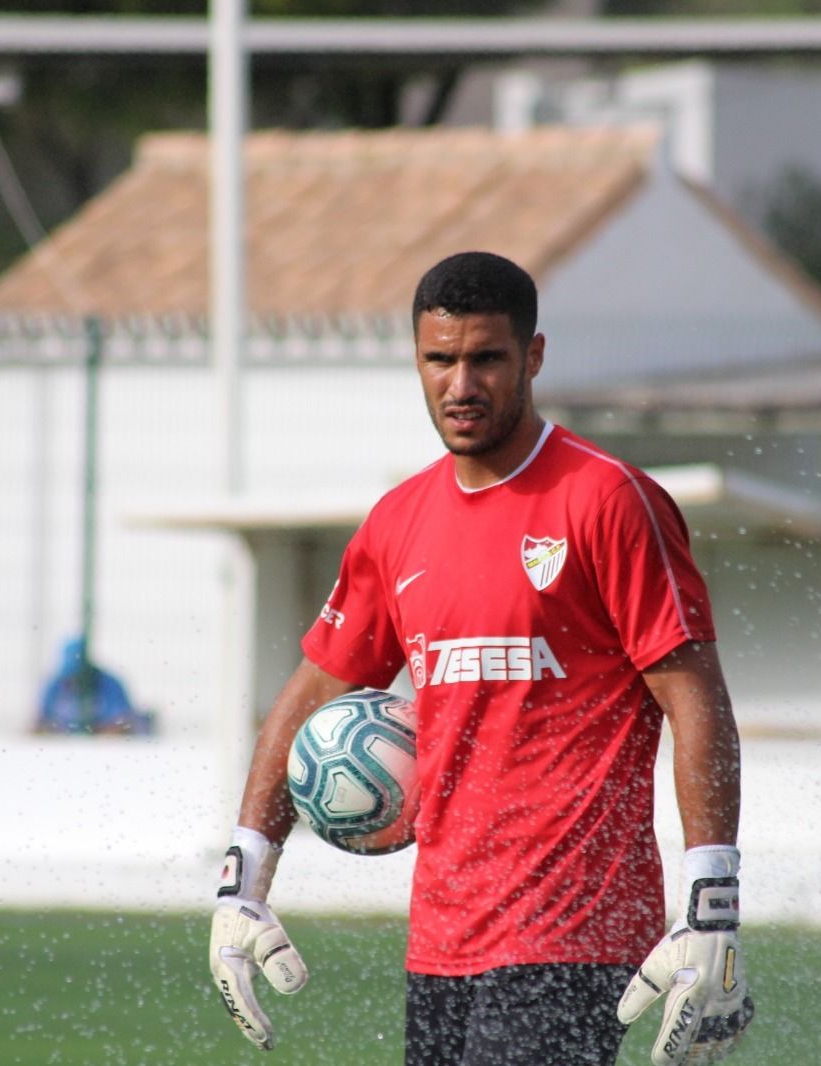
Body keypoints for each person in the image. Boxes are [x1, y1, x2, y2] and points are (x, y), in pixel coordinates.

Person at [208, 252, 752, 1066]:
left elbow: (695, 700)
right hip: (440, 941)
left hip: (575, 933)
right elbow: (314, 691)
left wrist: (713, 902)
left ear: (533, 356)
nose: (461, 384)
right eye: (440, 359)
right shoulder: (397, 523)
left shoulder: (607, 500)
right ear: (417, 360)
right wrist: (244, 875)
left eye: (486, 359)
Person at [36, 637, 155, 736]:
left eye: (77, 676)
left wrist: (100, 733)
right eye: (69, 676)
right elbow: (40, 722)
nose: (72, 681)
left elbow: (122, 723)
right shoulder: (55, 685)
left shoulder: (109, 685)